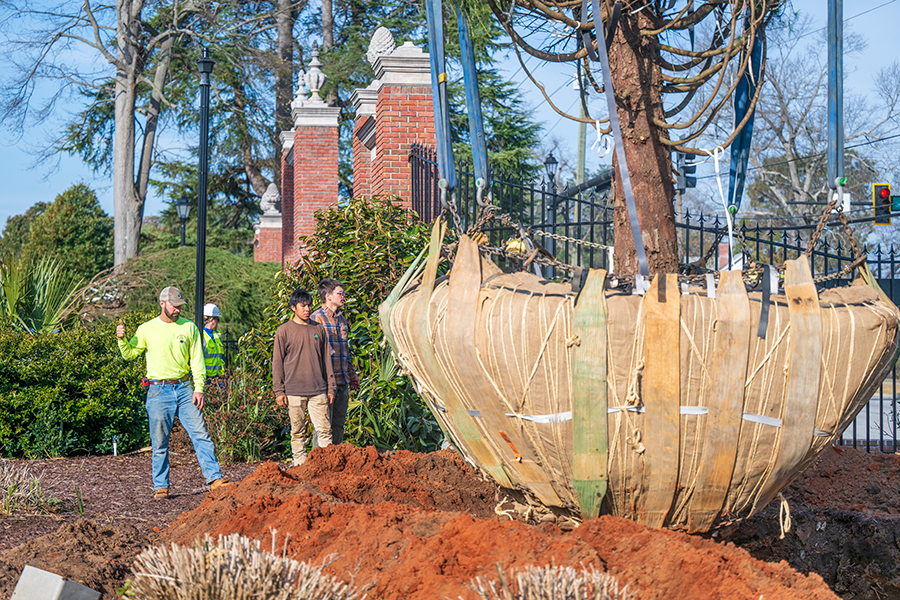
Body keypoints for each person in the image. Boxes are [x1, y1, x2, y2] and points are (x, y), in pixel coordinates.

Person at [116, 286, 230, 500]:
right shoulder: (146, 329)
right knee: (159, 442)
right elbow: (129, 354)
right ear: (162, 304)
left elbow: (197, 361)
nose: (177, 310)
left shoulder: (189, 327)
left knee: (201, 434)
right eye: (174, 306)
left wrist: (199, 388)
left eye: (179, 306)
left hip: (185, 388)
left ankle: (215, 479)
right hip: (158, 390)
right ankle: (161, 486)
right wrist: (122, 339)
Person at [273, 288, 335, 466]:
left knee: (324, 430)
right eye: (303, 306)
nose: (307, 309)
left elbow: (326, 360)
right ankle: (299, 465)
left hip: (318, 390)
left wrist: (330, 388)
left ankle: (326, 466)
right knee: (298, 432)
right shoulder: (283, 331)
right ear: (293, 307)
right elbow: (277, 362)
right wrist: (279, 390)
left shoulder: (319, 329)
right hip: (294, 391)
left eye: (309, 305)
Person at [312, 278, 359, 445]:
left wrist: (352, 375)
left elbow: (344, 351)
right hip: (325, 384)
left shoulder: (341, 319)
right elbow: (314, 354)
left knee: (338, 426)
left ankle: (334, 465)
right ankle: (318, 463)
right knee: (322, 427)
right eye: (340, 293)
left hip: (342, 381)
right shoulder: (316, 319)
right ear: (328, 296)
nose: (344, 296)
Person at [202, 303, 226, 386]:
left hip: (219, 377)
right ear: (211, 320)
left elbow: (221, 356)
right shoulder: (200, 335)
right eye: (217, 319)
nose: (218, 322)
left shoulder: (217, 334)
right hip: (206, 378)